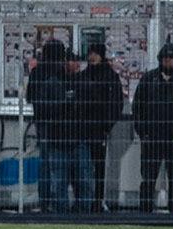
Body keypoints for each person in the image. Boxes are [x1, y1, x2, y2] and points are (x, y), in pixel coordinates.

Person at [26, 41, 87, 212]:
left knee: (46, 164)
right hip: (60, 123)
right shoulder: (60, 73)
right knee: (63, 166)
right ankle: (61, 202)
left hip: (42, 120)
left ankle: (45, 202)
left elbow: (30, 96)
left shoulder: (38, 71)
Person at [130, 42, 173, 211]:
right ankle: (145, 211)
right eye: (165, 58)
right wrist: (143, 132)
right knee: (148, 178)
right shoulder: (149, 79)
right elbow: (138, 106)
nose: (168, 62)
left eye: (171, 58)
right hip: (152, 138)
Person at [78, 43, 124, 211]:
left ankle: (97, 200)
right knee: (82, 167)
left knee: (98, 166)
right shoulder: (83, 76)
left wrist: (107, 125)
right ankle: (84, 200)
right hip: (82, 129)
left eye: (95, 54)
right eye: (90, 54)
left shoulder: (110, 77)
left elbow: (116, 103)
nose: (92, 57)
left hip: (100, 130)